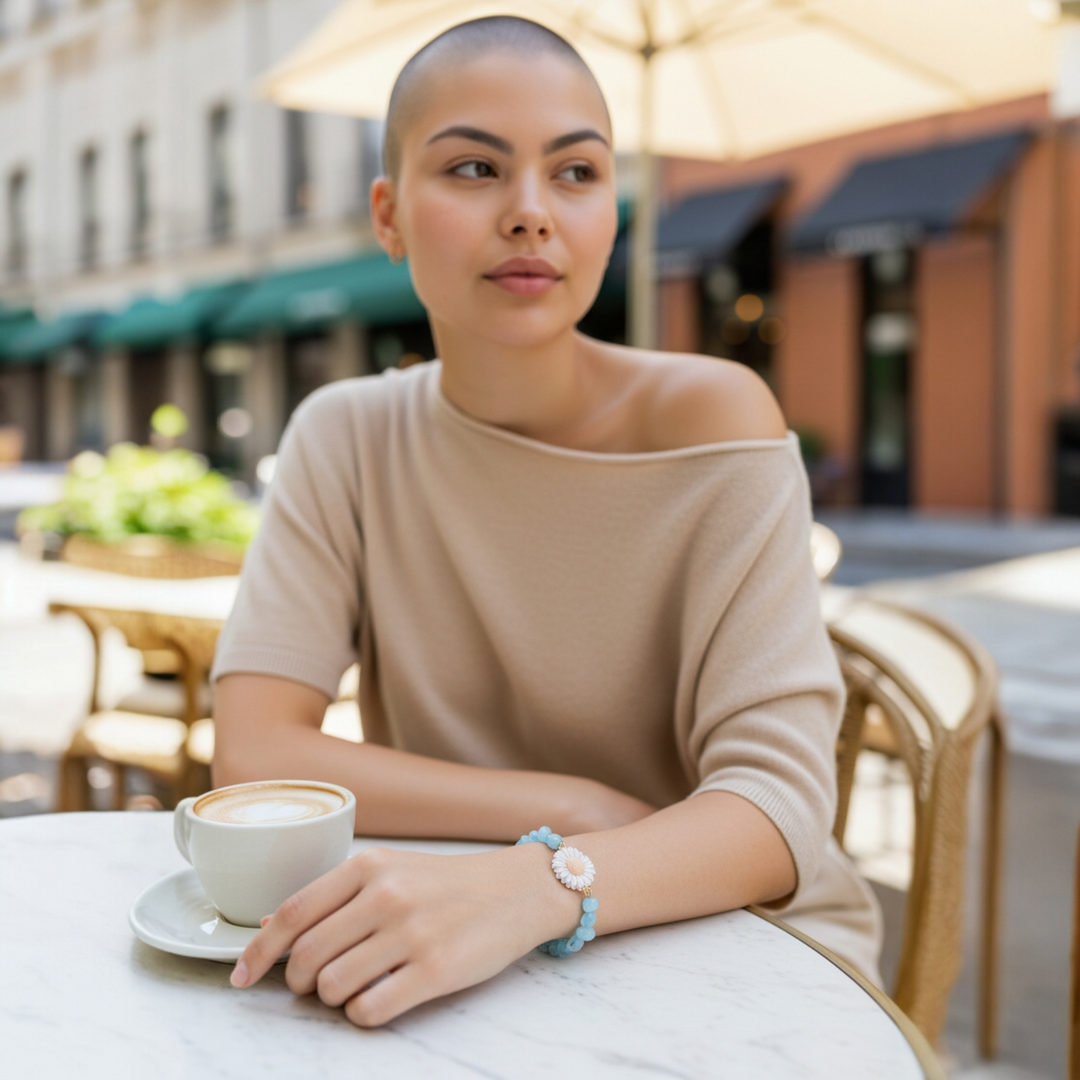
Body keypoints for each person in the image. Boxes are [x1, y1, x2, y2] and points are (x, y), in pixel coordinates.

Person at [211, 15, 882, 1028]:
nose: (531, 213)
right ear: (388, 218)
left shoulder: (714, 418)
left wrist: (543, 881)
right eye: (475, 169)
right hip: (459, 938)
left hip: (736, 949)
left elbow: (779, 812)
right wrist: (570, 811)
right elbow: (257, 752)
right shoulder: (346, 436)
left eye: (576, 174)